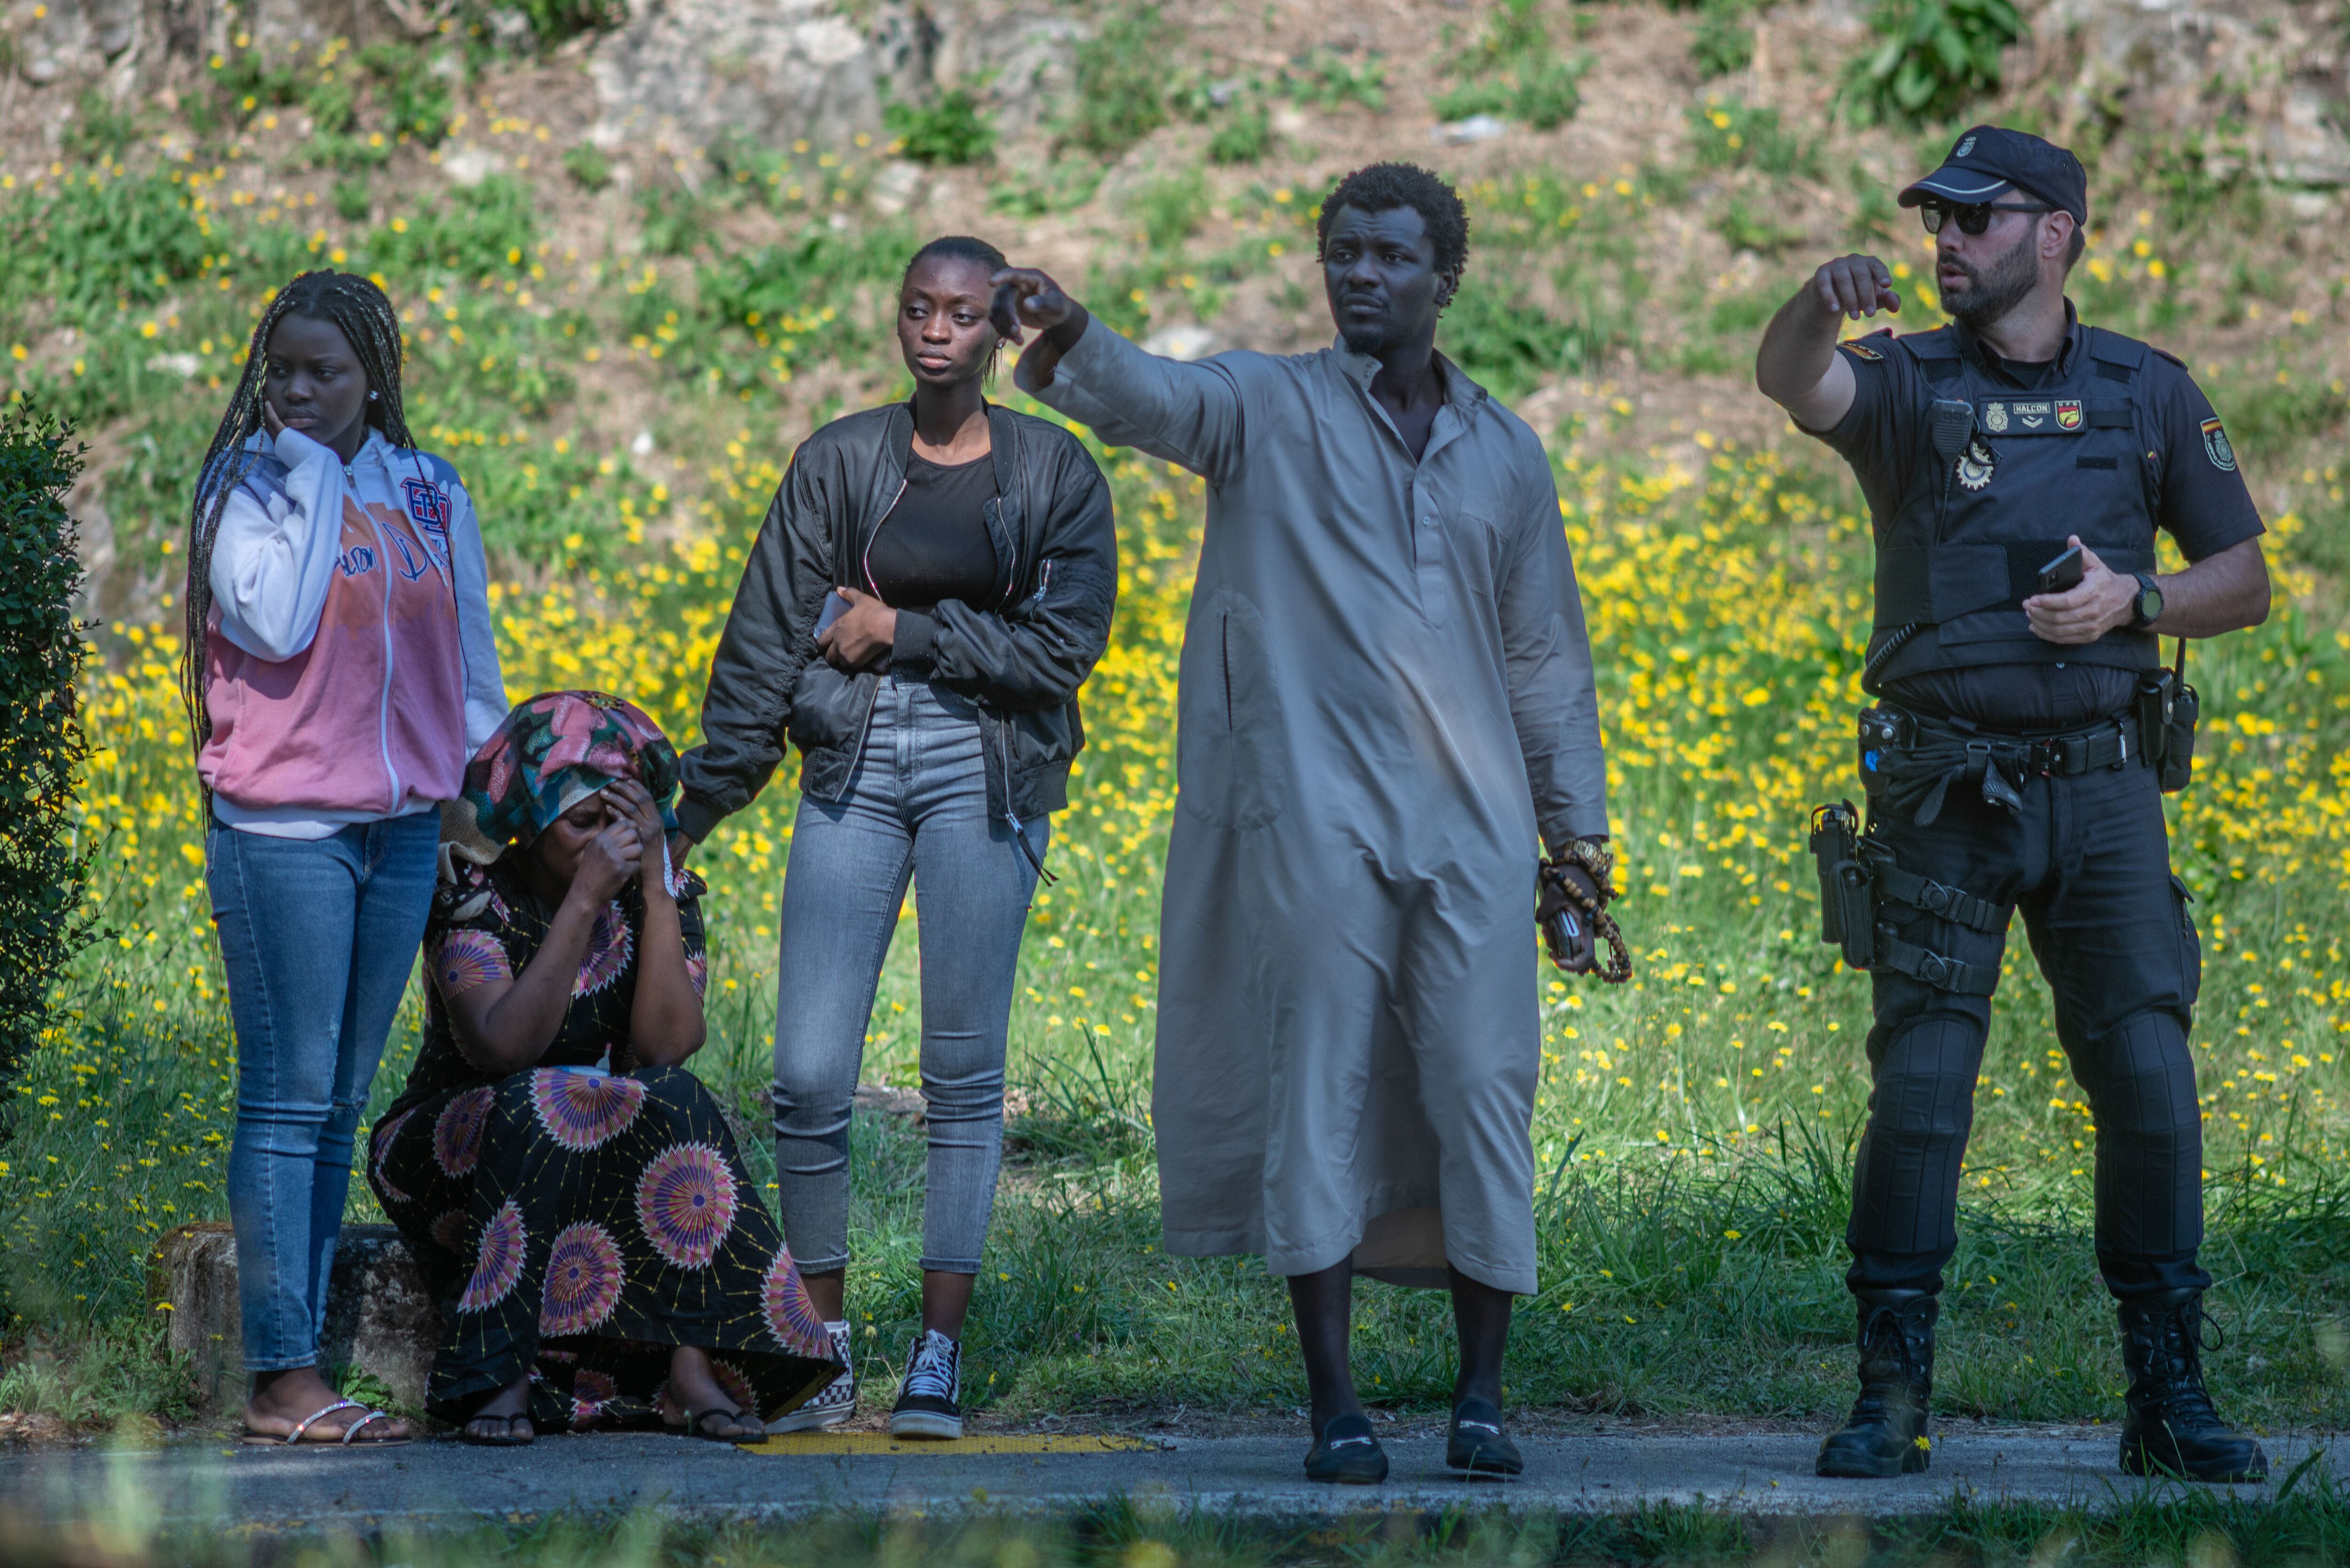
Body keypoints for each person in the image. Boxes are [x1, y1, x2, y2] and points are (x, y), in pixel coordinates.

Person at [992, 162, 1623, 1485]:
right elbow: (1155, 396)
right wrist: (1064, 334)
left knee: (1482, 1084)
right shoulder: (1266, 407)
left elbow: (1546, 657)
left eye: (1392, 256)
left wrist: (1575, 847)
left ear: (1445, 280)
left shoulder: (1504, 449)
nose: (1360, 275)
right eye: (1343, 251)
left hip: (1475, 828)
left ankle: (1483, 1401)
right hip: (1313, 822)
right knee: (1317, 1086)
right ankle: (1334, 1407)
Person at [1754, 126, 2272, 1483]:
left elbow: (2244, 577)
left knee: (2152, 1086)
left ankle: (2167, 1395)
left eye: (1978, 222)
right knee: (1923, 1091)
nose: (1948, 242)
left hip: (2104, 794)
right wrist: (1817, 301)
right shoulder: (1905, 385)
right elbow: (1789, 380)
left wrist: (2135, 601)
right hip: (1943, 791)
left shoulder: (2148, 392)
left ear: (2057, 234)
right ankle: (1890, 1396)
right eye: (1938, 221)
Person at [673, 235, 1119, 1439]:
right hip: (855, 765)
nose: (937, 329)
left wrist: (904, 631)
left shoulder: (1056, 473)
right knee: (809, 1073)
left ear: (998, 334)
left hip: (989, 769)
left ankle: (937, 1353)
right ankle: (818, 1350)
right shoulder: (836, 462)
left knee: (961, 1076)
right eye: (917, 307)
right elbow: (766, 643)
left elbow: (1061, 655)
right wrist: (692, 819)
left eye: (964, 313)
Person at [181, 269, 506, 1448]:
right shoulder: (247, 483)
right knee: (284, 1096)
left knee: (338, 1107)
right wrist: (312, 469)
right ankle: (281, 1376)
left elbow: (468, 658)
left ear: (377, 373)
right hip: (285, 834)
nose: (303, 391)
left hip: (402, 831)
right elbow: (272, 619)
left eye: (327, 371)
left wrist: (492, 794)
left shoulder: (430, 490)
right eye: (287, 371)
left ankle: (300, 1361)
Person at [368, 691, 840, 1445]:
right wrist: (585, 900)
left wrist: (653, 888)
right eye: (583, 822)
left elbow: (665, 1048)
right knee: (543, 1096)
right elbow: (502, 1049)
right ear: (527, 825)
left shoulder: (659, 891)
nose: (608, 841)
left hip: (595, 1130)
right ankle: (500, 1369)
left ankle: (690, 1370)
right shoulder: (474, 890)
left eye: (624, 821)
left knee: (680, 1098)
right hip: (459, 1135)